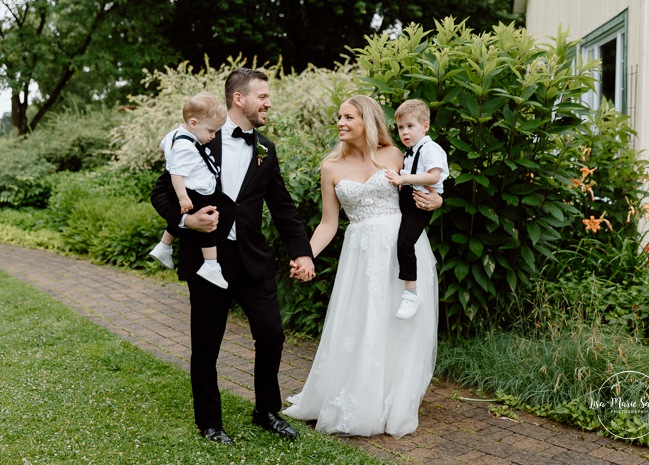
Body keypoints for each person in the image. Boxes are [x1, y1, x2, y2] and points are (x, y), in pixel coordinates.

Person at [150, 68, 315, 445]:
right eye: (263, 96)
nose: (269, 103)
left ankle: (266, 411)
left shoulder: (265, 149)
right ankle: (210, 422)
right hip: (209, 261)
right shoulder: (197, 138)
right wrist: (187, 220)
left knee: (272, 334)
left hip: (254, 260)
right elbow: (161, 192)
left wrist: (302, 252)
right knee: (207, 345)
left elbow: (283, 207)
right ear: (239, 98)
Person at [284, 95, 442, 438]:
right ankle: (361, 398)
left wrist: (438, 199)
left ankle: (393, 401)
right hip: (361, 256)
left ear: (367, 121)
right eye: (339, 116)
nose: (340, 122)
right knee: (363, 323)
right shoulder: (331, 167)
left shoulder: (396, 155)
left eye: (348, 117)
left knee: (399, 327)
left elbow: (429, 188)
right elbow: (328, 224)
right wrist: (305, 254)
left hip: (403, 251)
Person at [149, 92, 229, 289]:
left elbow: (167, 148)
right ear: (193, 123)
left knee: (205, 221)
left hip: (193, 188)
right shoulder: (186, 146)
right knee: (209, 224)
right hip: (195, 191)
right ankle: (211, 265)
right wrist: (183, 198)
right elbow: (175, 173)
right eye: (211, 131)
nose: (213, 136)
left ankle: (164, 246)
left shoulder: (177, 136)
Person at [385, 99, 449, 319]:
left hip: (419, 203)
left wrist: (402, 177)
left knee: (405, 243)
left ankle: (411, 293)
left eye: (410, 126)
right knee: (399, 240)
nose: (404, 132)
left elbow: (433, 176)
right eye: (401, 127)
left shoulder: (430, 148)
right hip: (407, 198)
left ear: (425, 126)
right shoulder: (412, 150)